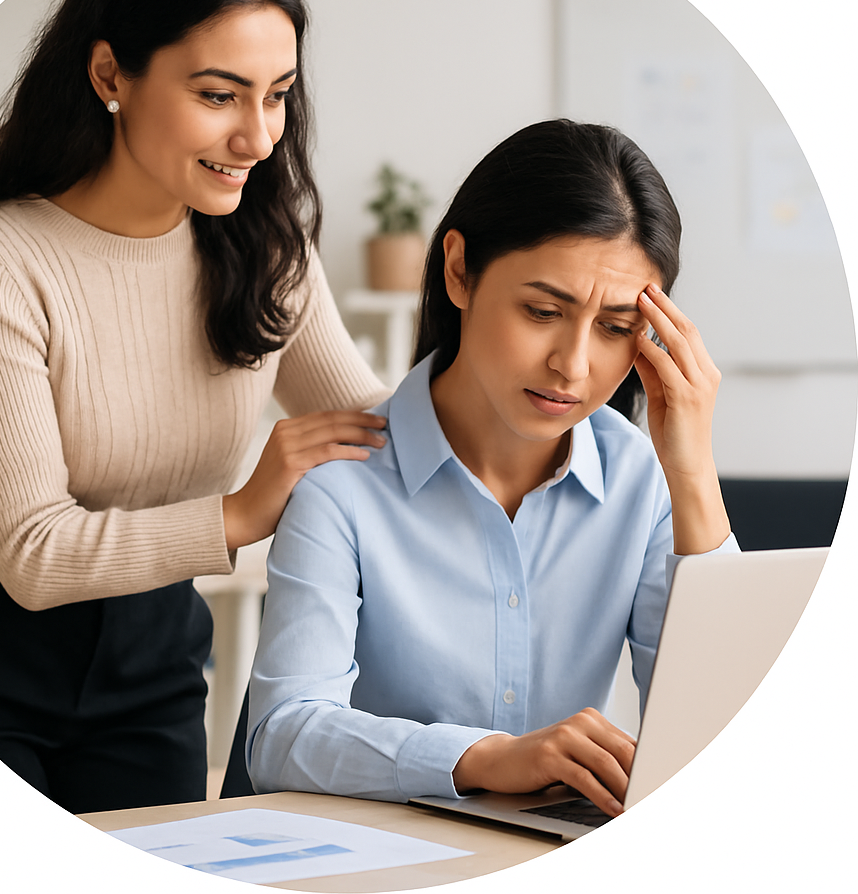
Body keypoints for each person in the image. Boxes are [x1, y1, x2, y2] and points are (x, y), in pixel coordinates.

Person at [0, 0, 391, 815]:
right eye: (219, 94)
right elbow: (31, 554)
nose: (259, 138)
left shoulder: (265, 246)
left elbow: (381, 428)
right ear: (111, 72)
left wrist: (553, 372)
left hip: (152, 648)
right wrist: (240, 511)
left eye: (279, 95)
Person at [246, 119, 738, 817]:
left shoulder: (643, 478)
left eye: (616, 328)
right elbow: (282, 735)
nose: (572, 365)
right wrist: (484, 758)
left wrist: (690, 469)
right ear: (459, 271)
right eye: (543, 310)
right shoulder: (342, 481)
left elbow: (729, 740)